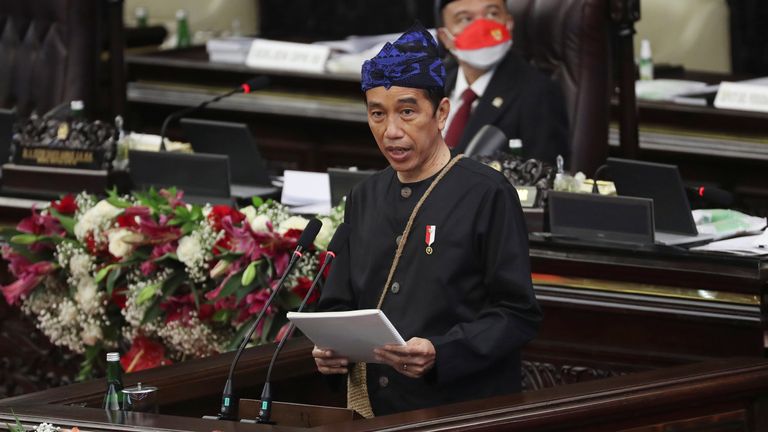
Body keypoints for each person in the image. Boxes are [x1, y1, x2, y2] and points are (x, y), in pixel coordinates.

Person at [312, 23, 541, 418]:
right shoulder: (364, 196)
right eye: (377, 115)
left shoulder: (486, 193)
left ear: (442, 113)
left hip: (457, 410)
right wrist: (328, 351)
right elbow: (338, 304)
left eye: (407, 112)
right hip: (376, 412)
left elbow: (517, 314)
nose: (392, 131)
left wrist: (442, 351)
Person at [436, 0, 569, 165]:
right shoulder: (431, 82)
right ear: (445, 37)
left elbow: (542, 178)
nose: (482, 27)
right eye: (465, 19)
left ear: (509, 24)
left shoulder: (539, 94)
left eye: (492, 14)